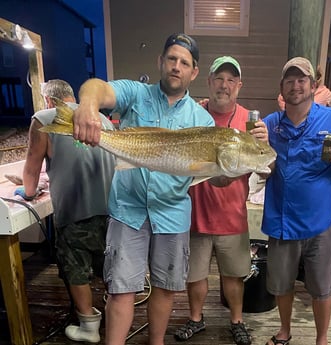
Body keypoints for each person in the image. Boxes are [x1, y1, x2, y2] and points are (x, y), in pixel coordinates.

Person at [71, 33, 214, 345]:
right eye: (172, 59)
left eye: (185, 62)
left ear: (194, 72)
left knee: (165, 287)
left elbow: (217, 177)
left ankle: (156, 342)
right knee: (121, 288)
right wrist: (88, 104)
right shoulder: (136, 94)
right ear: (160, 62)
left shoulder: (202, 120)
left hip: (172, 213)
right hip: (128, 209)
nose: (177, 66)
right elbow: (99, 88)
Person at [261, 57, 331, 345]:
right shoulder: (269, 125)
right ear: (281, 88)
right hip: (282, 221)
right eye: (289, 81)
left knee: (322, 287)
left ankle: (322, 339)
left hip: (321, 223)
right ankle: (285, 331)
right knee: (282, 285)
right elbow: (258, 166)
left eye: (302, 80)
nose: (296, 86)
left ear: (313, 85)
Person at [174, 56, 268, 345]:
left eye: (230, 80)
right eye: (219, 79)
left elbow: (268, 166)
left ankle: (237, 321)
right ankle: (195, 319)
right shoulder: (193, 113)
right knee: (195, 275)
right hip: (195, 213)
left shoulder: (251, 123)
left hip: (231, 216)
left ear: (239, 86)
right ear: (209, 82)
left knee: (235, 275)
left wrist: (264, 144)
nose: (224, 86)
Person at [17, 79, 116, 343]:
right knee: (108, 266)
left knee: (75, 268)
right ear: (72, 97)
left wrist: (27, 192)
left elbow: (31, 168)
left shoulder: (45, 118)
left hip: (75, 211)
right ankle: (115, 312)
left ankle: (88, 325)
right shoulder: (102, 120)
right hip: (111, 212)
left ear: (50, 100)